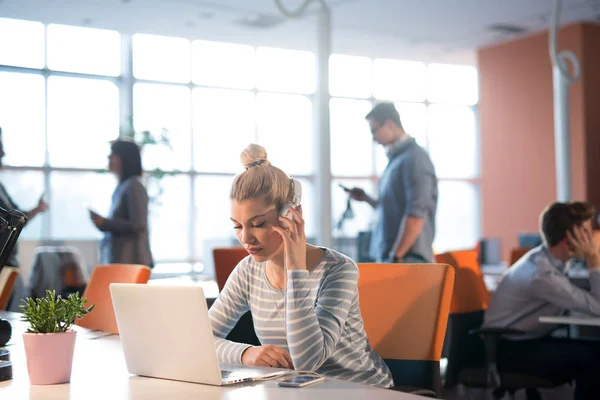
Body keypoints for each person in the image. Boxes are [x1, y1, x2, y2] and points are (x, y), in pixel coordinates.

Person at [208, 144, 393, 388]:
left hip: (360, 389)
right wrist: (245, 354)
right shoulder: (248, 271)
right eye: (238, 226)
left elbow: (307, 361)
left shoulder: (339, 270)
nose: (246, 238)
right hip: (298, 390)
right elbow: (200, 338)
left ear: (290, 214)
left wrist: (295, 267)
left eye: (258, 223)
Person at [484, 201, 600, 400]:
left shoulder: (546, 260)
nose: (593, 239)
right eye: (587, 233)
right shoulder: (542, 275)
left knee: (595, 350)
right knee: (593, 358)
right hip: (510, 350)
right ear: (569, 238)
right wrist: (593, 259)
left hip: (526, 341)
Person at [346, 102, 437, 263]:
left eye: (374, 131)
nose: (374, 138)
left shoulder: (415, 159)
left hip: (408, 260)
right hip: (394, 258)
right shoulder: (397, 160)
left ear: (389, 124)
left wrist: (396, 256)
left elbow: (416, 213)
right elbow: (392, 208)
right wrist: (366, 199)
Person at [89, 139, 153, 268]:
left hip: (131, 262)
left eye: (113, 154)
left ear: (124, 158)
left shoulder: (134, 186)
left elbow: (138, 224)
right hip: (120, 259)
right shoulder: (122, 187)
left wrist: (106, 223)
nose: (109, 158)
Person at [0, 127, 48, 269]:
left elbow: (17, 218)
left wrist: (37, 209)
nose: (3, 153)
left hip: (8, 260)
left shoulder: (1, 188)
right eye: (0, 147)